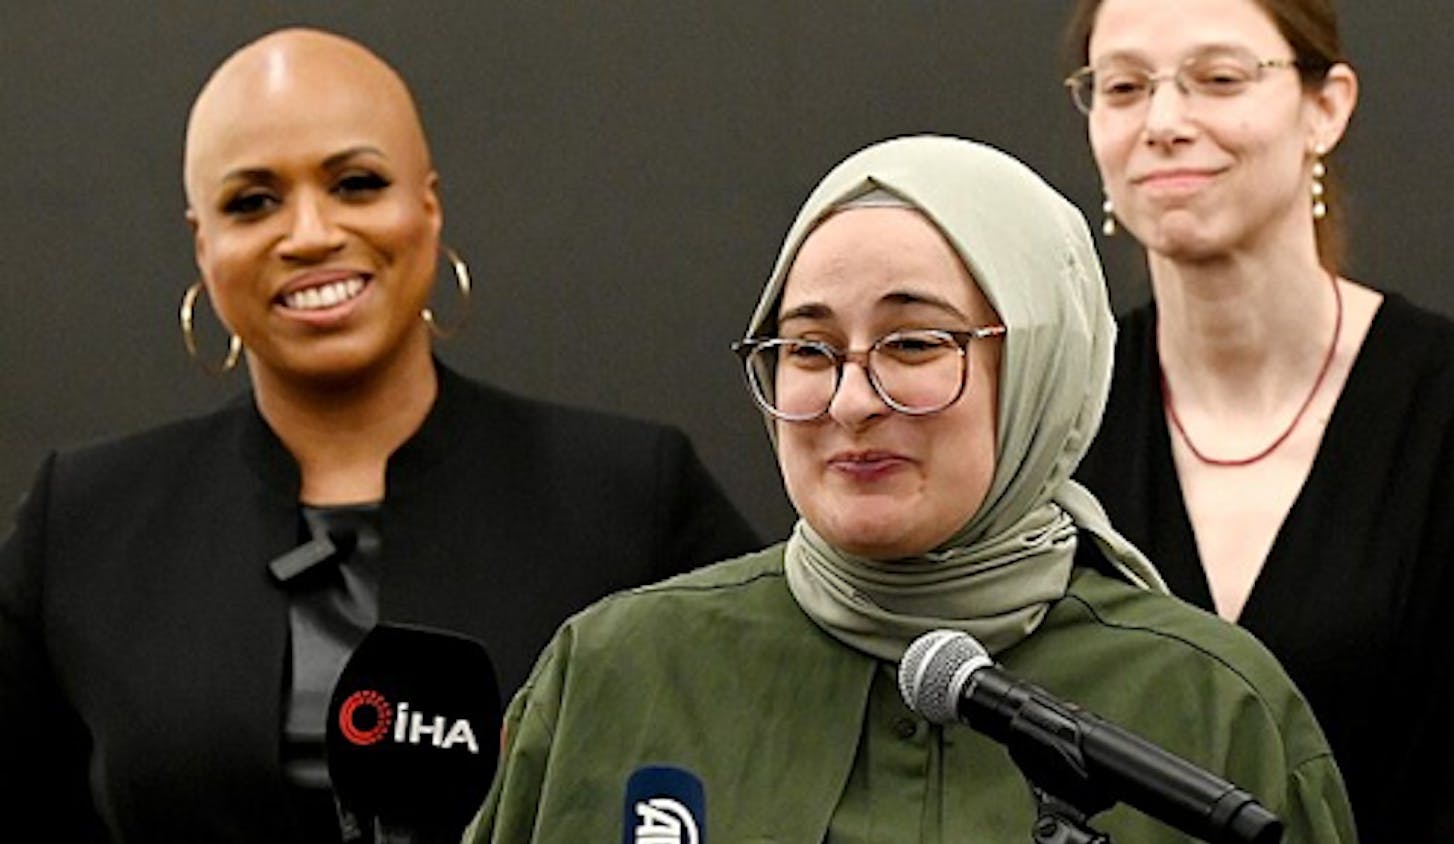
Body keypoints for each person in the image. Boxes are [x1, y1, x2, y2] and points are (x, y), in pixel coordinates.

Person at [465, 135, 1355, 843]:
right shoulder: (622, 672)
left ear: (1043, 371)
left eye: (915, 345)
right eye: (809, 350)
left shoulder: (1208, 706)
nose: (851, 403)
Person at [0, 27, 762, 843]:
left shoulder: (628, 497)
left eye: (356, 184)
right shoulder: (85, 523)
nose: (309, 234)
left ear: (427, 207)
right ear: (203, 245)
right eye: (252, 202)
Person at [1061, 1, 1454, 841]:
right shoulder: (1053, 428)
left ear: (1325, 106)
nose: (1164, 123)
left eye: (1219, 79)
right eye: (1122, 86)